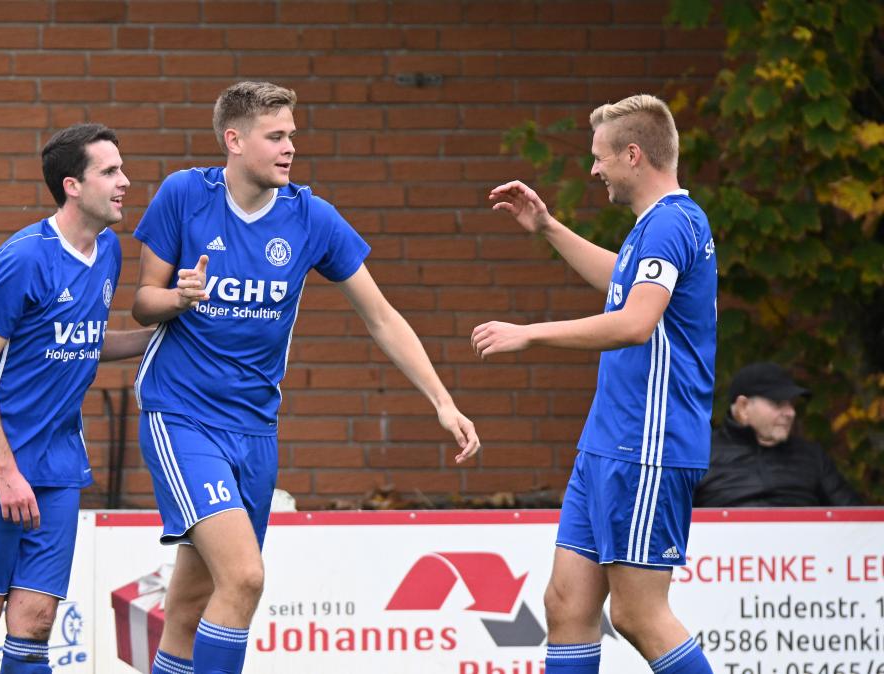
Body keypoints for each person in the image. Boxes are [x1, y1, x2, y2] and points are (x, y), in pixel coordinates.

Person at [130, 81, 480, 674]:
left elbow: (382, 316)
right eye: (276, 136)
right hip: (182, 415)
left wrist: (443, 401)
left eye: (292, 134)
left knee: (191, 603)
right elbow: (141, 302)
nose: (290, 147)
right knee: (243, 578)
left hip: (256, 430)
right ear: (234, 140)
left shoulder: (310, 216)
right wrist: (177, 298)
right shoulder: (184, 194)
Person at [472, 94, 717, 674]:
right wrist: (548, 227)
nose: (593, 168)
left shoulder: (671, 224)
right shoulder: (656, 226)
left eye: (600, 157)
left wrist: (529, 334)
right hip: (609, 443)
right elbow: (625, 282)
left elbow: (635, 322)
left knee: (638, 615)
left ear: (633, 155)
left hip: (647, 446)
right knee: (567, 604)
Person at [0, 123, 153, 674]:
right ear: (73, 185)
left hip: (60, 466)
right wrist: (5, 469)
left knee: (36, 623)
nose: (126, 182)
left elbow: (89, 341)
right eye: (110, 172)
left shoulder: (108, 251)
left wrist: (164, 333)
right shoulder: (23, 258)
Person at [694, 362, 862, 507]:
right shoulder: (698, 456)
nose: (791, 412)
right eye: (778, 403)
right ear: (743, 407)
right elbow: (672, 526)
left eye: (791, 403)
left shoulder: (812, 456)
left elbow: (857, 523)